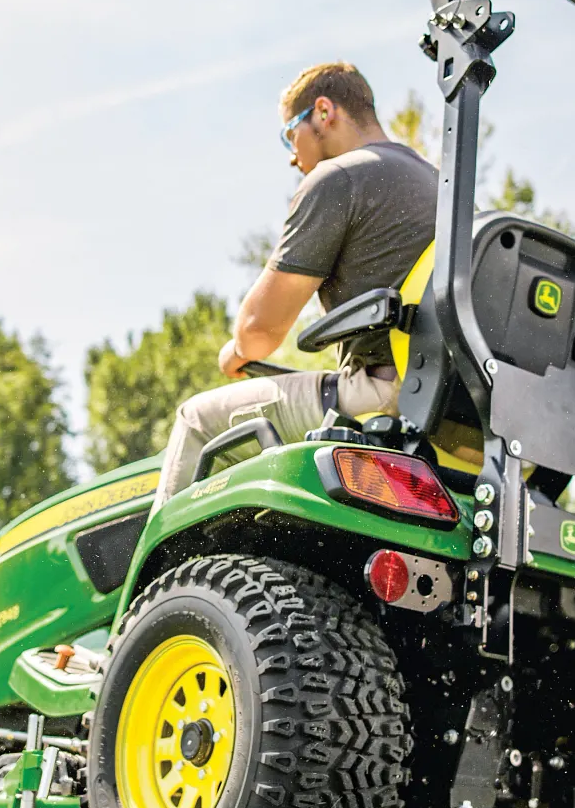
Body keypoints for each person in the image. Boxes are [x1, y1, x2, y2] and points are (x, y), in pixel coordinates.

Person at [152, 61, 438, 503]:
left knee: (195, 420)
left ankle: (164, 574)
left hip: (385, 393)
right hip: (451, 405)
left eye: (291, 133)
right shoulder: (440, 184)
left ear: (324, 112)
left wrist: (237, 353)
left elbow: (259, 333)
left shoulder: (338, 178)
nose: (292, 155)